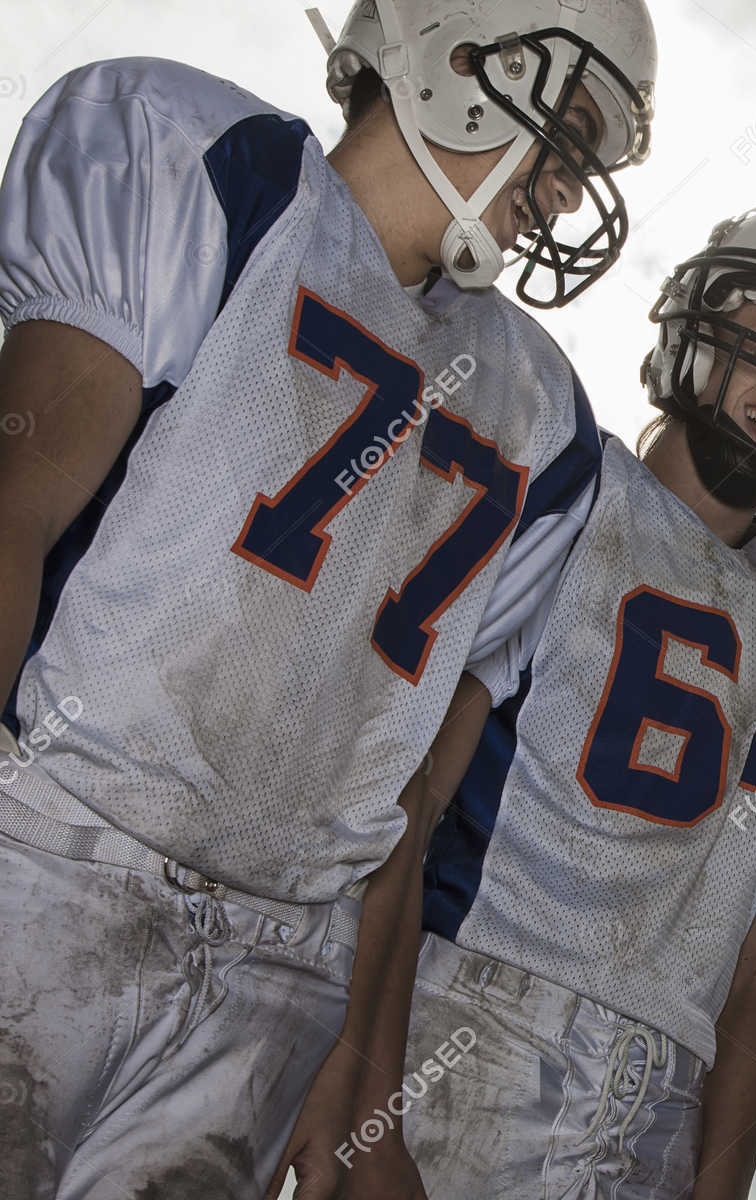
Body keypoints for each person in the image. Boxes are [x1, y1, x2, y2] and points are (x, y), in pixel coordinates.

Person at [0, 0, 657, 1194]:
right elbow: (16, 509)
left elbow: (410, 794)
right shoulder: (210, 167)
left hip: (280, 965)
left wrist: (362, 1072)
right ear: (460, 60)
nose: (563, 194)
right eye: (561, 139)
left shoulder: (544, 417)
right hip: (46, 845)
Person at [359, 205, 756, 1199]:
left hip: (671, 1083)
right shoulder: (569, 485)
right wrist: (370, 1123)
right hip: (466, 1012)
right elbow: (408, 809)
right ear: (697, 324)